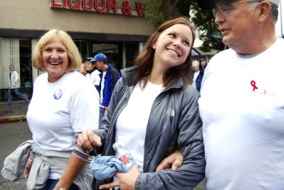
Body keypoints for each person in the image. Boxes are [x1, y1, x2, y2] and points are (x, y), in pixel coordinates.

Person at [197, 0, 284, 190]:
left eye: (226, 7)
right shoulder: (216, 65)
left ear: (262, 10)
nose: (217, 18)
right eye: (216, 10)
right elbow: (210, 133)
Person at [77, 17, 205, 190]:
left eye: (185, 42)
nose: (177, 43)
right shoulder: (126, 83)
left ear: (187, 55)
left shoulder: (187, 96)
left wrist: (139, 183)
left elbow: (195, 166)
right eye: (172, 35)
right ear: (154, 42)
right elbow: (108, 130)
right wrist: (95, 136)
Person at [24, 29, 99, 190]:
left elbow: (84, 145)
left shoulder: (80, 87)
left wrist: (62, 186)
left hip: (67, 179)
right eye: (48, 50)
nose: (54, 56)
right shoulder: (40, 81)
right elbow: (40, 131)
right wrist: (32, 159)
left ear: (70, 55)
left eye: (60, 50)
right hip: (40, 172)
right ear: (40, 54)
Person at [90, 53, 120, 127]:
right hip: (102, 105)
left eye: (96, 63)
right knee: (100, 128)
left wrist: (111, 105)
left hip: (109, 107)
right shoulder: (101, 73)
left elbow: (117, 90)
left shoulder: (113, 72)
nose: (95, 65)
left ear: (101, 62)